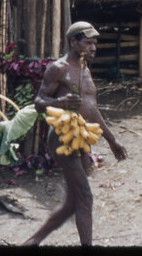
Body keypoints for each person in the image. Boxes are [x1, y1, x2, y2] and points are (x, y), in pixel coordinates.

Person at [25, 21, 127, 246]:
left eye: (95, 43)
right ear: (73, 42)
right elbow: (39, 102)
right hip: (62, 138)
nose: (93, 48)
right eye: (88, 43)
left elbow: (91, 109)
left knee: (73, 202)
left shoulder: (84, 69)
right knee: (85, 196)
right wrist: (60, 101)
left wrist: (112, 140)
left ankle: (32, 241)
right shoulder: (59, 68)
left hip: (80, 137)